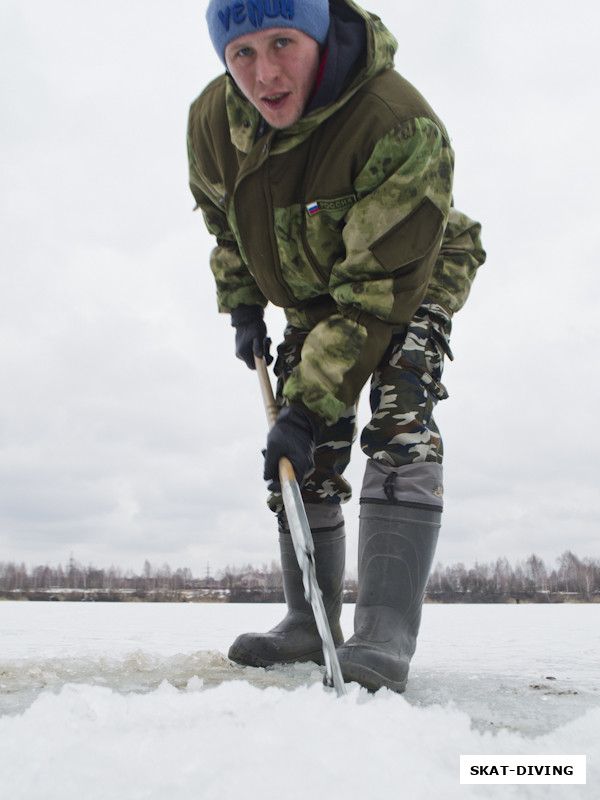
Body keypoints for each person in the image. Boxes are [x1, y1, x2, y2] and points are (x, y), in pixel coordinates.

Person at [188, 0, 486, 692]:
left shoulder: (396, 122)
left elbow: (375, 296)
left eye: (283, 43)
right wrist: (241, 303)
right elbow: (225, 222)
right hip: (314, 288)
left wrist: (308, 404)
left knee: (396, 413)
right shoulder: (213, 123)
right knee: (304, 444)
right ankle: (306, 617)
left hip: (408, 271)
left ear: (318, 33)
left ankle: (383, 632)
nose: (264, 75)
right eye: (242, 54)